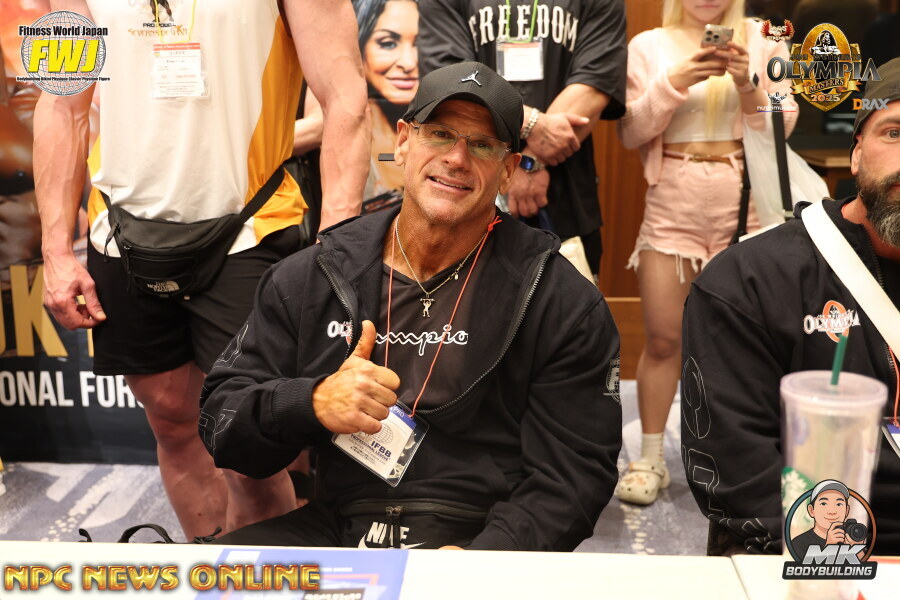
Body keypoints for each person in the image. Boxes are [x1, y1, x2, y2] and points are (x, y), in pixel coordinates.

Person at [200, 62, 622, 551]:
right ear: (403, 141)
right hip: (339, 526)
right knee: (201, 579)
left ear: (508, 170)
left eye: (483, 145)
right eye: (439, 134)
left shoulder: (558, 296)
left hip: (482, 532)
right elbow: (221, 420)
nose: (457, 158)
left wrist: (488, 558)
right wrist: (311, 402)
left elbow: (575, 474)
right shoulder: (313, 275)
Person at [34, 0, 370, 540]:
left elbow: (344, 95)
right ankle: (207, 566)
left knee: (249, 449)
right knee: (171, 421)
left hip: (250, 224)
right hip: (119, 230)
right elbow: (61, 101)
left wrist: (338, 247)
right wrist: (55, 249)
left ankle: (263, 575)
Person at [680, 57, 900, 556]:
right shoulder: (748, 281)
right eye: (894, 133)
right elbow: (738, 475)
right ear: (856, 153)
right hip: (818, 555)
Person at [615, 0, 797, 505]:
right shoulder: (648, 45)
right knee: (663, 338)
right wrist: (676, 80)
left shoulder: (765, 39)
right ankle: (650, 457)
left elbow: (783, 126)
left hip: (747, 199)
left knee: (752, 343)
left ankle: (748, 459)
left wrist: (746, 82)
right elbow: (630, 130)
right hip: (673, 197)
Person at [418, 0, 626, 277]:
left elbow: (597, 80)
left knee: (565, 300)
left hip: (564, 195)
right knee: (463, 299)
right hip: (465, 186)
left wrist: (529, 161)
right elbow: (450, 81)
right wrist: (531, 125)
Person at [790, 480, 866, 562]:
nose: (832, 511)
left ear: (847, 511)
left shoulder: (851, 538)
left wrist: (857, 549)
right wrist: (829, 547)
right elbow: (805, 569)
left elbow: (866, 568)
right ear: (811, 510)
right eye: (823, 503)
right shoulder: (799, 543)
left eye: (839, 504)